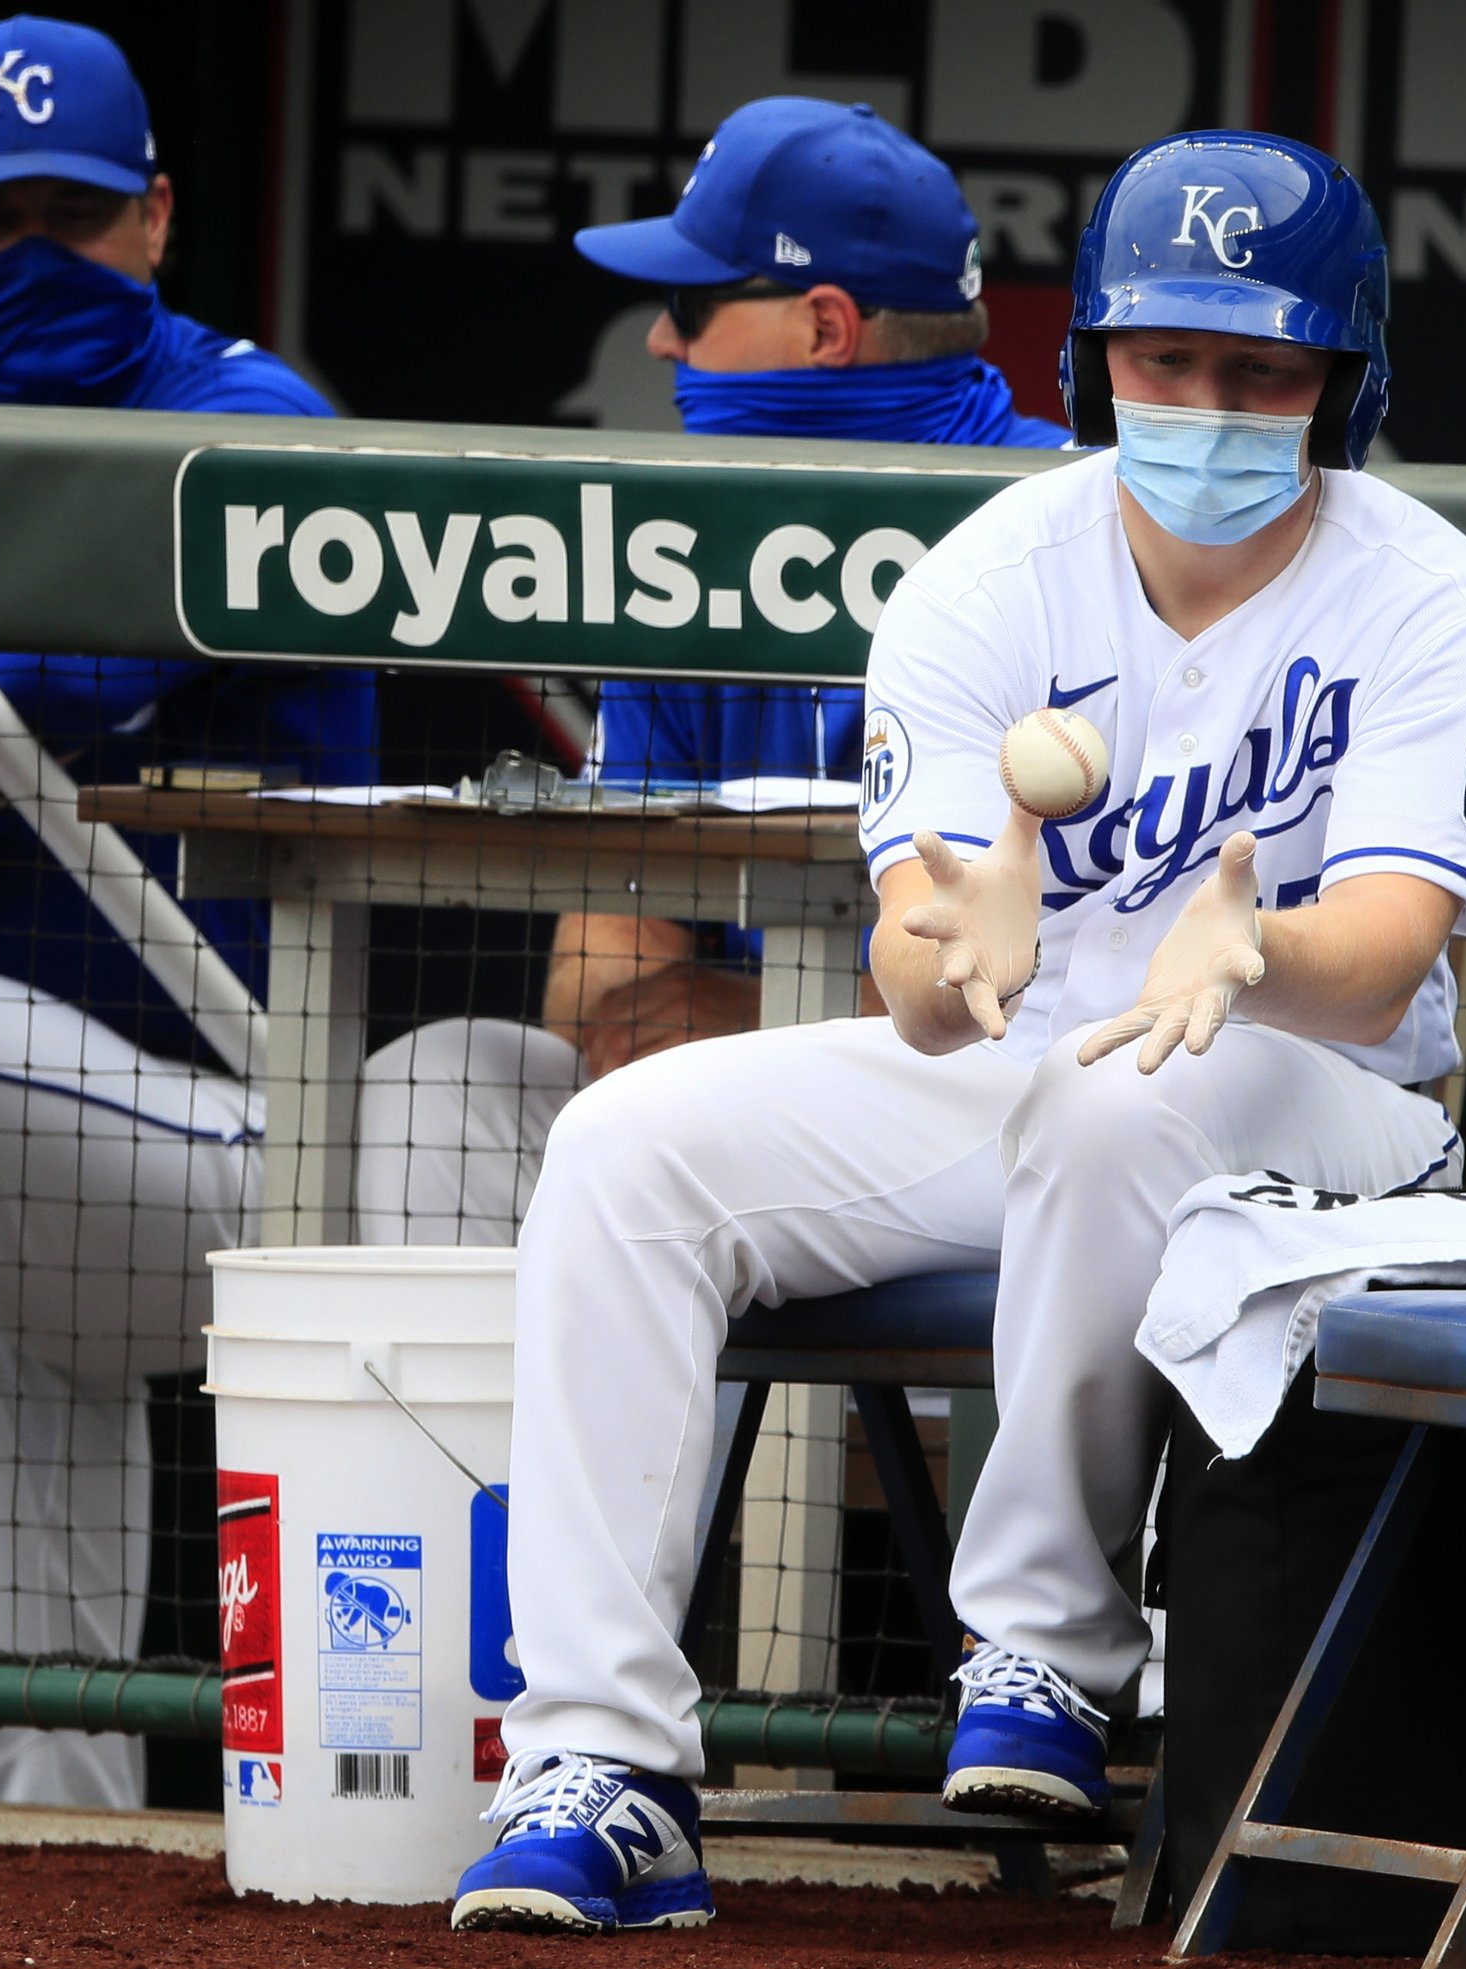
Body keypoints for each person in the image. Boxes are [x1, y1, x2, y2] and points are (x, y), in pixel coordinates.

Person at [449, 130, 1466, 1935]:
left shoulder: (1432, 592)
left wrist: (1250, 946)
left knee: (1117, 1108)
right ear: (1090, 357)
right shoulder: (988, 575)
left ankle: (1040, 1644)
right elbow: (913, 978)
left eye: (1258, 369)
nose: (1203, 403)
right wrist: (955, 950)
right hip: (1054, 1079)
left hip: (1335, 1119)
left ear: (1341, 380)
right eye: (1165, 358)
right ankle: (604, 1763)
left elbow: (1390, 955)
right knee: (628, 1150)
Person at [0, 14, 372, 1807]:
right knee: (17, 1767)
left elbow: (4, 681)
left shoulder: (249, 420)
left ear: (155, 217)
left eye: (77, 213)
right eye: (0, 226)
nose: (42, 257)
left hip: (261, 1149)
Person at [356, 97, 1069, 1244]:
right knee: (439, 1085)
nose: (660, 340)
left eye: (691, 304)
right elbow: (602, 967)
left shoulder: (1065, 537)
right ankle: (487, 1434)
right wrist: (725, 1029)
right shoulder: (686, 537)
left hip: (997, 1110)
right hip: (751, 1100)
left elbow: (1087, 972)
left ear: (826, 329)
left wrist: (760, 1012)